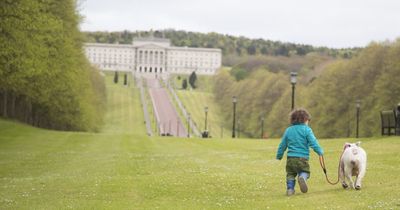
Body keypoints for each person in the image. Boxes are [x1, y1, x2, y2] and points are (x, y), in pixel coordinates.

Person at [276, 108, 324, 196]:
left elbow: (282, 145)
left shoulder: (288, 130)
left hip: (290, 159)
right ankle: (302, 177)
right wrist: (319, 151)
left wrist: (279, 155)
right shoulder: (307, 130)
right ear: (305, 120)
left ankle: (290, 189)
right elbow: (313, 142)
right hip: (302, 158)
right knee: (305, 171)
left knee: (290, 174)